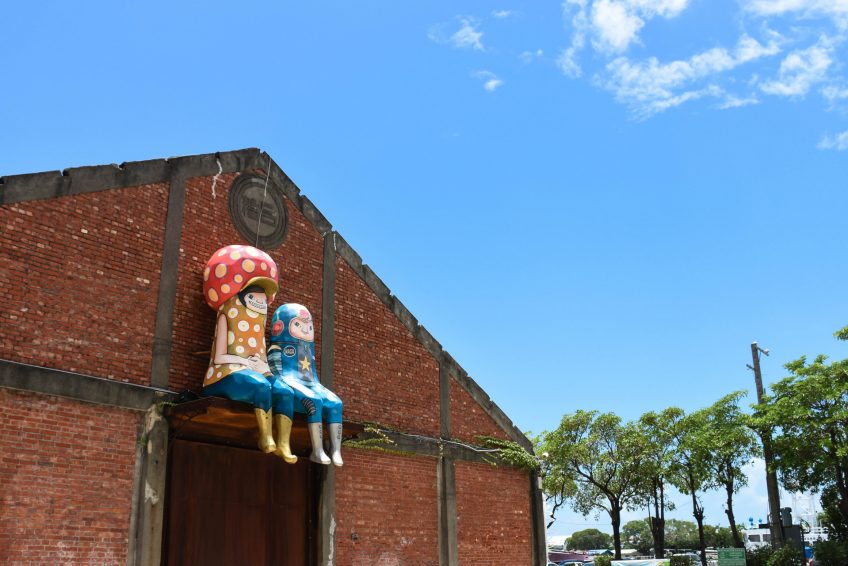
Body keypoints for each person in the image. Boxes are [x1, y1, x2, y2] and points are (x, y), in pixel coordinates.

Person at [201, 244, 297, 463]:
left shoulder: (258, 325)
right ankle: (266, 437)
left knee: (285, 391)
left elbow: (260, 358)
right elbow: (219, 357)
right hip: (223, 373)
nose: (260, 303)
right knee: (260, 386)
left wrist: (265, 369)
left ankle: (284, 444)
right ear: (242, 297)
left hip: (252, 370)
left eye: (263, 300)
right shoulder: (226, 316)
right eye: (255, 297)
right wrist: (245, 362)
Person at [268, 303, 343, 466]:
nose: (304, 330)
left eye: (308, 326)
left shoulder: (308, 350)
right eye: (297, 324)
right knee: (314, 400)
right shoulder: (278, 347)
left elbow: (312, 375)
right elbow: (275, 371)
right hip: (288, 379)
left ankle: (336, 450)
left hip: (311, 383)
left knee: (336, 403)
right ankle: (317, 450)